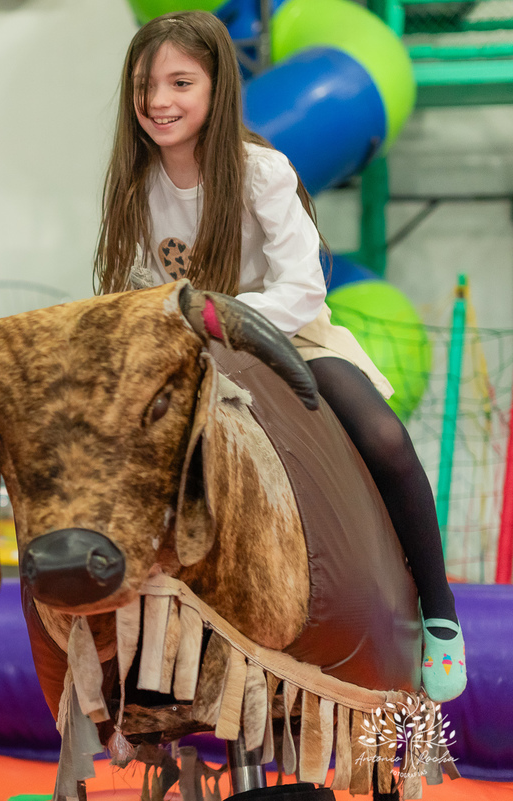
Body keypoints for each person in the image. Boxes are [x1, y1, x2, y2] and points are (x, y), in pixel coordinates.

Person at [93, 10, 465, 703]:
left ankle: (440, 610)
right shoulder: (137, 183)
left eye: (181, 82)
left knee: (384, 437)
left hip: (289, 335)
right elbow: (139, 287)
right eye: (146, 85)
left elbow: (302, 288)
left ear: (218, 88)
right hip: (191, 348)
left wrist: (220, 318)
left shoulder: (261, 170)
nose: (160, 100)